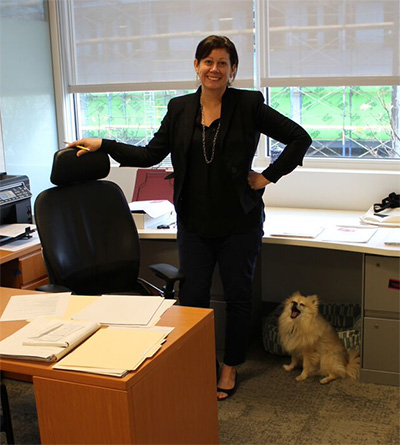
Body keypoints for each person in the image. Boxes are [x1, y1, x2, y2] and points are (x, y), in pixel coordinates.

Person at [67, 35, 312, 401]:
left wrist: (265, 177)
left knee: (238, 296)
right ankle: (200, 364)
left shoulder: (248, 104)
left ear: (233, 70)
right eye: (208, 61)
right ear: (196, 66)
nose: (215, 69)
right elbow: (150, 154)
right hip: (195, 223)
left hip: (238, 223)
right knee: (193, 298)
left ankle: (230, 367)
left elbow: (299, 138)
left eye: (223, 63)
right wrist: (104, 144)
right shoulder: (180, 108)